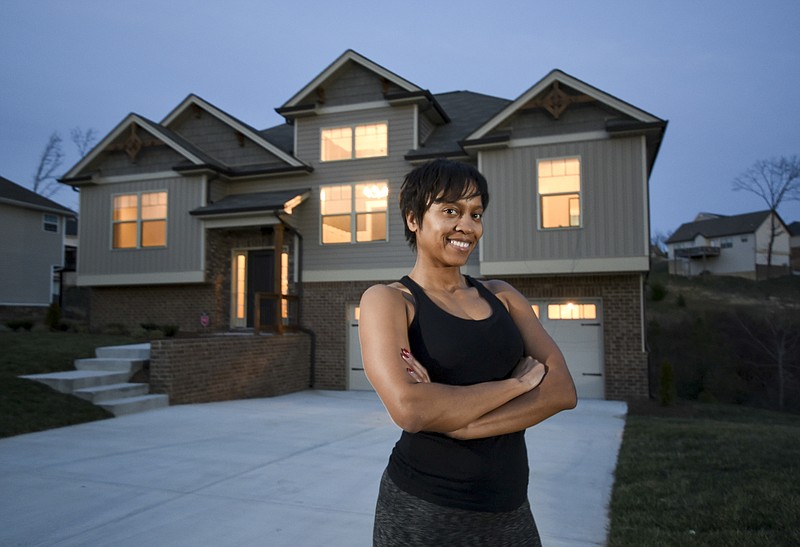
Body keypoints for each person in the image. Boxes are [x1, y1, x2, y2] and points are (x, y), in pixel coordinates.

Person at [359, 158, 577, 546]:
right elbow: (410, 409)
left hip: (509, 507)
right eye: (450, 211)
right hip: (422, 508)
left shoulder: (503, 297)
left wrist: (458, 422)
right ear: (413, 219)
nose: (467, 225)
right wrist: (516, 385)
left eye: (476, 214)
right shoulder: (390, 301)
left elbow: (562, 391)